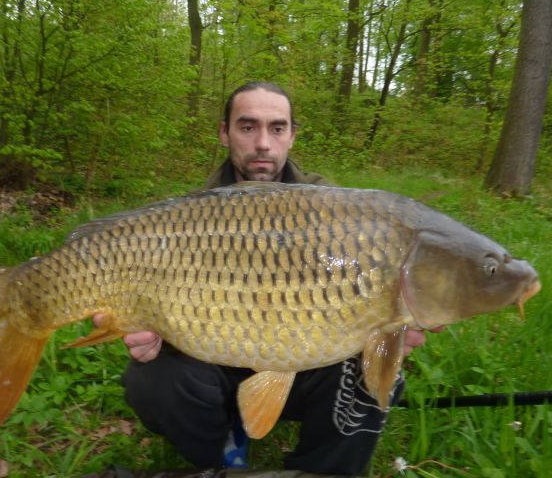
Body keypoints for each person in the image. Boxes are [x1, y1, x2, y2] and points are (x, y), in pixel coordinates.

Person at [94, 82, 437, 476]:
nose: (263, 143)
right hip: (216, 362)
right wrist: (152, 333)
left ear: (292, 135)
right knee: (152, 380)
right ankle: (221, 453)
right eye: (247, 127)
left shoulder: (341, 214)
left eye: (276, 128)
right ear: (225, 132)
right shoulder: (186, 218)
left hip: (310, 362)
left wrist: (394, 323)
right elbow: (154, 317)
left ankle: (319, 471)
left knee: (371, 375)